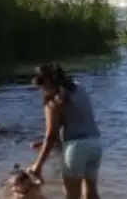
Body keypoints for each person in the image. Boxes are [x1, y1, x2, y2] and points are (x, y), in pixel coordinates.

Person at [29, 64, 102, 199]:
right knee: (92, 194)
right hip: (95, 143)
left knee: (72, 196)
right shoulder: (79, 88)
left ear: (46, 83)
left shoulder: (53, 100)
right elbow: (73, 120)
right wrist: (44, 145)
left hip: (75, 148)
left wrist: (37, 165)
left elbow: (51, 135)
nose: (41, 91)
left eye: (40, 87)